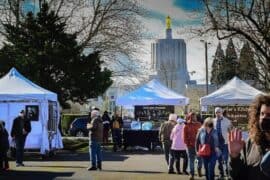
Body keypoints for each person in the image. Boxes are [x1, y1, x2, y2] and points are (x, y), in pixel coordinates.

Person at [229, 94, 270, 179]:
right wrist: (235, 157)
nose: (264, 118)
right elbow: (238, 176)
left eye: (269, 115)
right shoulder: (251, 143)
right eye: (262, 114)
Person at [213, 107, 232, 178]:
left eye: (219, 112)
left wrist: (230, 140)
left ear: (221, 113)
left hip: (225, 143)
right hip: (217, 144)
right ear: (215, 113)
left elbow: (230, 131)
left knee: (226, 159)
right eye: (216, 112)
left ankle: (227, 173)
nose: (217, 114)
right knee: (219, 159)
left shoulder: (227, 121)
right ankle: (221, 174)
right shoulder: (213, 121)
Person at [183, 112, 203, 180]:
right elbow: (184, 136)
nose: (194, 118)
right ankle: (192, 174)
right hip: (190, 146)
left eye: (195, 116)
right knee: (191, 160)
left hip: (199, 146)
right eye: (193, 116)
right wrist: (187, 144)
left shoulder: (199, 124)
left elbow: (202, 134)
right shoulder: (186, 125)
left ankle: (199, 169)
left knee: (200, 160)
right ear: (190, 117)